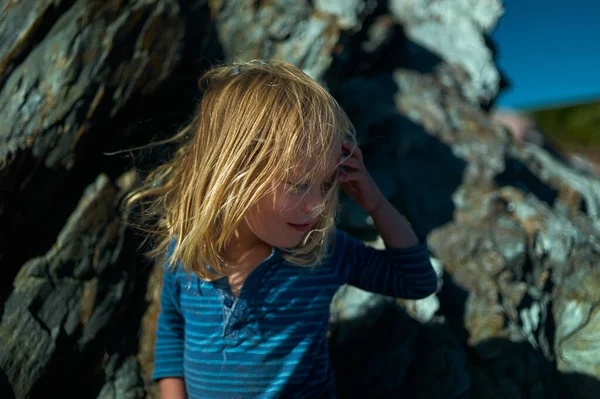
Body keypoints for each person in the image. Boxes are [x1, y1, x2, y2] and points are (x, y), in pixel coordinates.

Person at [124, 59, 438, 399]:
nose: (317, 204)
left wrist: (375, 204)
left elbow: (415, 281)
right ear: (234, 172)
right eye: (299, 184)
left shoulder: (324, 252)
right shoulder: (186, 254)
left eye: (327, 184)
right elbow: (172, 331)